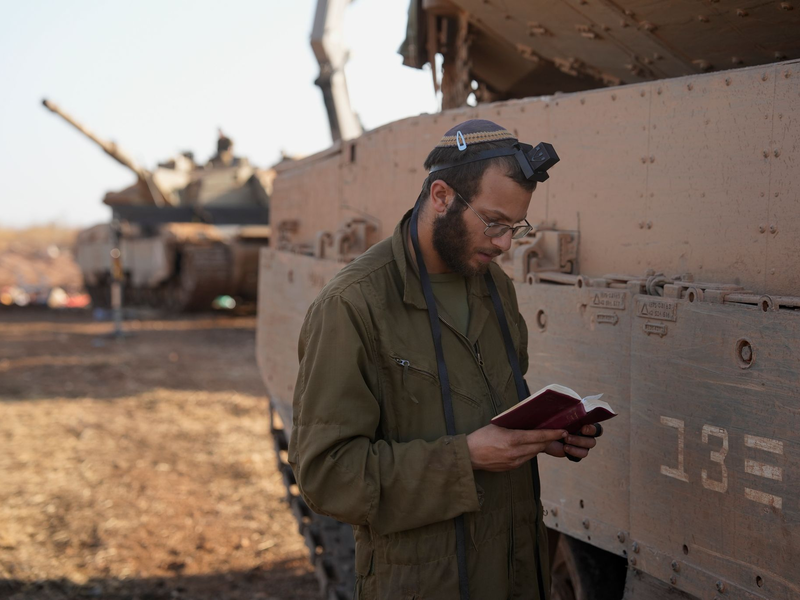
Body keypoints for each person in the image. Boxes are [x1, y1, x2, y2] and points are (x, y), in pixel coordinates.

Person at [289, 119, 602, 600]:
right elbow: (327, 476)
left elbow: (487, 414)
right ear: (440, 196)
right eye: (493, 223)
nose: (504, 244)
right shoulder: (352, 306)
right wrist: (467, 457)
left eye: (515, 227)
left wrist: (543, 436)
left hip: (516, 578)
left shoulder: (494, 287)